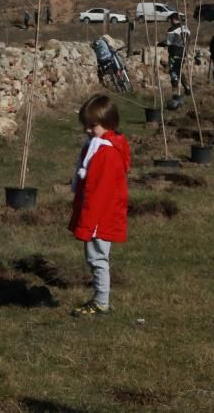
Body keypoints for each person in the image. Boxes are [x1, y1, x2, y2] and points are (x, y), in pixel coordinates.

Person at [68, 94, 131, 317]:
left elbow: (99, 193)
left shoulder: (105, 154)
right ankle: (100, 298)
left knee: (97, 258)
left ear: (108, 122)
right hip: (100, 214)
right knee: (96, 256)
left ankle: (101, 301)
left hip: (100, 216)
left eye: (92, 125)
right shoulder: (98, 146)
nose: (87, 130)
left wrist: (88, 223)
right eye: (85, 125)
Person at [160, 13, 191, 99]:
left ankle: (175, 93)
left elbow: (168, 42)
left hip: (174, 53)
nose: (169, 21)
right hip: (183, 53)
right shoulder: (186, 28)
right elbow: (188, 41)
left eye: (170, 19)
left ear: (173, 19)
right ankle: (187, 87)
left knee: (173, 71)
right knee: (179, 70)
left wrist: (160, 43)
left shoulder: (172, 29)